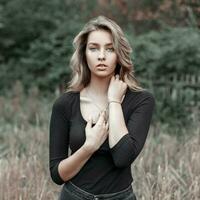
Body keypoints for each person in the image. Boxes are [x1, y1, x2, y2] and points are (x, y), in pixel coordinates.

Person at [49, 15, 155, 200]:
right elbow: (57, 175)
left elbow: (122, 158)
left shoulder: (141, 100)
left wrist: (114, 101)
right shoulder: (64, 104)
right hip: (74, 196)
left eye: (110, 49)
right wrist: (88, 147)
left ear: (119, 54)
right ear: (83, 53)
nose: (101, 56)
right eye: (93, 48)